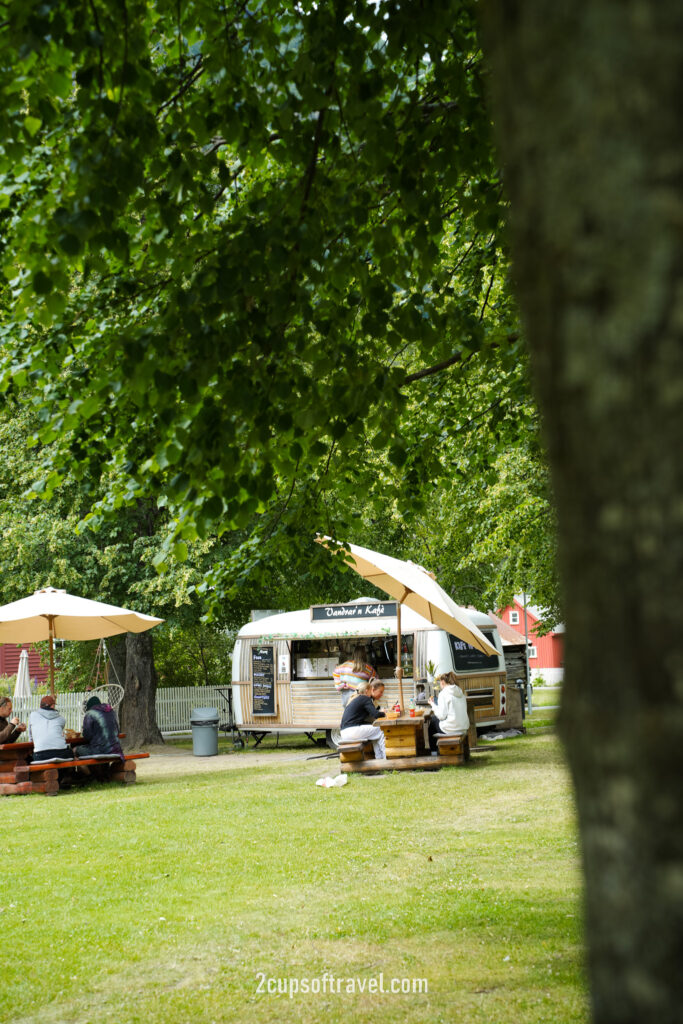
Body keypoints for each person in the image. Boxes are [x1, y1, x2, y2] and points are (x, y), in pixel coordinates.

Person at [339, 680, 386, 759]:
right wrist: (385, 713)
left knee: (375, 733)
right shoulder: (365, 698)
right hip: (352, 731)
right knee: (381, 729)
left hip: (344, 732)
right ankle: (385, 758)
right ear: (367, 691)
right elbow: (376, 714)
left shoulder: (356, 698)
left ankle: (379, 759)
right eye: (371, 690)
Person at [427, 671, 470, 753]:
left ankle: (434, 752)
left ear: (443, 682)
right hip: (463, 728)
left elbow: (441, 716)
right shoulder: (460, 693)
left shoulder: (444, 693)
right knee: (435, 720)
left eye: (440, 683)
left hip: (451, 729)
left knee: (433, 722)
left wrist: (432, 704)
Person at [74, 695, 123, 760]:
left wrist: (84, 730)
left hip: (100, 751)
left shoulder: (90, 713)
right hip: (116, 750)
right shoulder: (111, 711)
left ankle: (85, 770)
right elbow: (117, 731)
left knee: (74, 750)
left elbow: (87, 736)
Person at [29, 694, 74, 762]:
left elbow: (31, 738)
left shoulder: (33, 715)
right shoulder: (61, 719)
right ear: (53, 706)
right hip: (61, 753)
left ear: (40, 706)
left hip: (40, 755)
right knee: (73, 753)